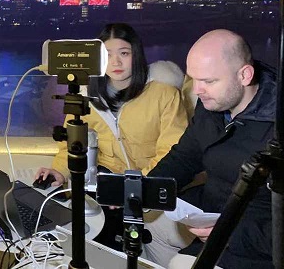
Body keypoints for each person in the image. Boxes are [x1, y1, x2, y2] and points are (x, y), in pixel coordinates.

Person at [36, 23, 188, 247]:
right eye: (108, 55)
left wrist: (133, 188)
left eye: (124, 53)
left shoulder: (164, 95)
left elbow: (172, 151)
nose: (116, 62)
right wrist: (59, 172)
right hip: (103, 188)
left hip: (147, 188)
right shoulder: (86, 97)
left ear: (136, 54)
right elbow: (72, 145)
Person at [144, 29, 276, 269]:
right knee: (146, 225)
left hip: (254, 244)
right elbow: (184, 157)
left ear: (245, 75)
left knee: (179, 264)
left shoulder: (276, 129)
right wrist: (142, 191)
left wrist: (227, 233)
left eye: (208, 81)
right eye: (193, 78)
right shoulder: (213, 104)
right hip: (213, 213)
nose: (197, 90)